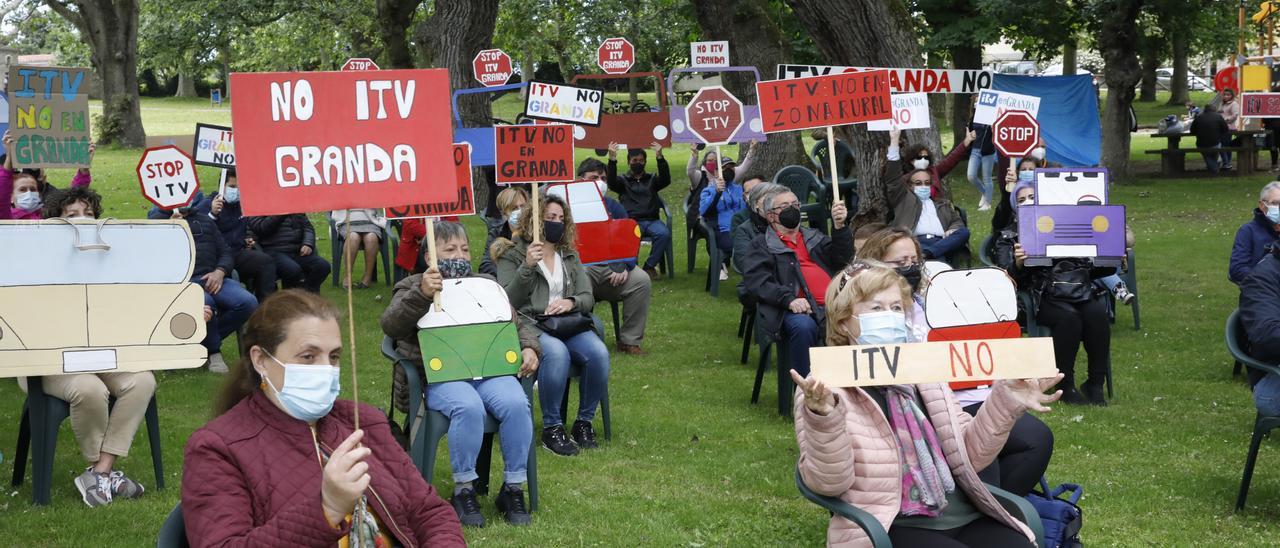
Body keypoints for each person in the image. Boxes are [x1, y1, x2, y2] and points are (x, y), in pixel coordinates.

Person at [791, 261, 1060, 547]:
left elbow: (971, 456)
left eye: (896, 308)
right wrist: (824, 418)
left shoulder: (924, 372)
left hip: (963, 515)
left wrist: (1006, 402)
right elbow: (829, 484)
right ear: (845, 322)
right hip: (890, 525)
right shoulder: (825, 388)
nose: (890, 317)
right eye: (876, 308)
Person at [181, 290, 465, 546]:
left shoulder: (362, 421)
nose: (326, 369)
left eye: (334, 357)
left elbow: (429, 510)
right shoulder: (217, 448)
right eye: (308, 357)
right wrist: (327, 509)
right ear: (261, 360)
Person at [856, 230, 1055, 496]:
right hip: (932, 404)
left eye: (914, 260)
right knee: (986, 458)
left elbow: (982, 336)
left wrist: (997, 292)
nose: (910, 268)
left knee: (1038, 439)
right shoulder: (875, 317)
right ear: (876, 266)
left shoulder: (937, 301)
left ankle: (1000, 507)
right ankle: (984, 507)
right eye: (900, 263)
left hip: (978, 393)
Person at [380, 221, 538, 527]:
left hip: (490, 372)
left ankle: (512, 488)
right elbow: (391, 326)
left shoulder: (485, 284)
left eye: (464, 249)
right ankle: (464, 490)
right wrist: (422, 295)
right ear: (430, 258)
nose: (460, 255)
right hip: (443, 378)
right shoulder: (411, 286)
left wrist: (530, 347)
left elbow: (515, 324)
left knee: (518, 404)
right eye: (450, 249)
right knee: (468, 407)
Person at [492, 194, 611, 457]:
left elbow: (587, 296)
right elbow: (507, 300)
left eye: (560, 218)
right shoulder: (512, 254)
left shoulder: (567, 254)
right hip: (531, 323)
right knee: (556, 354)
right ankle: (552, 428)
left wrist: (570, 302)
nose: (556, 223)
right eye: (549, 218)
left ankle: (583, 422)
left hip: (566, 323)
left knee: (599, 354)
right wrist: (527, 267)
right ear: (534, 219)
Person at [994, 179, 1114, 405]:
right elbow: (1005, 278)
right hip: (1041, 295)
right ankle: (1065, 384)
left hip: (1077, 290)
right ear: (1014, 206)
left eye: (1032, 198)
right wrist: (1019, 264)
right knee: (1069, 319)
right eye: (1021, 200)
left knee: (1097, 315)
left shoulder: (1062, 227)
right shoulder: (1008, 235)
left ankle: (1095, 384)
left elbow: (1092, 269)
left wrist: (1113, 256)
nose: (1028, 203)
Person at [739, 191, 851, 378]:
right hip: (789, 310)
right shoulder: (761, 246)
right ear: (770, 216)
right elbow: (757, 282)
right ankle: (806, 390)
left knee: (862, 319)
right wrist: (789, 300)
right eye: (783, 206)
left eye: (795, 204)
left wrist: (840, 228)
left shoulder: (814, 237)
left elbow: (842, 260)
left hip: (834, 304)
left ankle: (857, 391)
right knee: (803, 326)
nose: (791, 209)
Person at [153, 199, 259, 374]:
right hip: (182, 283)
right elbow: (154, 259)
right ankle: (214, 352)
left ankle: (198, 342)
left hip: (213, 278)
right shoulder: (158, 222)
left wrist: (220, 271)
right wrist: (170, 230)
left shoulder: (205, 220)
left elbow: (225, 252)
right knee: (206, 304)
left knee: (248, 302)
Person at [581, 158, 653, 355]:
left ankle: (629, 340)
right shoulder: (567, 208)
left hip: (612, 267)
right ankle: (581, 337)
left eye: (603, 178)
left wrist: (623, 265)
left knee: (641, 280)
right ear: (581, 180)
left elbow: (629, 241)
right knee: (579, 280)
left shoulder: (614, 206)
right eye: (593, 178)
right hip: (581, 268)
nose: (600, 182)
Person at [883, 129, 970, 262]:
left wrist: (953, 228)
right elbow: (893, 179)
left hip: (939, 243)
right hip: (915, 241)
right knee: (937, 261)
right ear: (910, 186)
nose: (923, 186)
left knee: (963, 232)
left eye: (927, 183)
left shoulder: (941, 204)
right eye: (918, 183)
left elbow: (957, 221)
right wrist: (894, 142)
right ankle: (926, 255)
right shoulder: (904, 199)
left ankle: (927, 254)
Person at [208, 169, 279, 298]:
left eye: (239, 187)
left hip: (237, 253)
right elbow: (203, 230)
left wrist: (247, 238)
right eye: (232, 187)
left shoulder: (241, 205)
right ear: (221, 186)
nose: (235, 191)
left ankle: (266, 305)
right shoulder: (209, 204)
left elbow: (247, 226)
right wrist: (213, 214)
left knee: (265, 262)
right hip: (218, 257)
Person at [606, 142, 671, 279]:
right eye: (635, 160)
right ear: (629, 162)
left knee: (664, 233)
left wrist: (660, 156)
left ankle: (649, 266)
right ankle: (632, 268)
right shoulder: (623, 182)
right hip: (632, 222)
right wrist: (612, 159)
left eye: (641, 161)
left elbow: (666, 179)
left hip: (652, 221)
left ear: (645, 162)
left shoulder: (652, 180)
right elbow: (611, 182)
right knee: (630, 237)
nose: (638, 163)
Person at [1, 130, 94, 220]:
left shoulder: (49, 216)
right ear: (11, 197)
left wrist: (83, 170)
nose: (29, 193)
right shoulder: (7, 218)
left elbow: (73, 197)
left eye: (33, 189)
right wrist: (10, 157)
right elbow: (3, 190)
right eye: (22, 189)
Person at [247, 213, 331, 293]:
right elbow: (261, 228)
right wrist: (281, 213)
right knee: (292, 270)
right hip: (273, 250)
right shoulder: (260, 205)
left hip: (297, 250)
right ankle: (290, 300)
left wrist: (307, 243)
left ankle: (309, 295)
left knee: (322, 266)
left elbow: (307, 227)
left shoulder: (292, 204)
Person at [700, 153, 749, 281]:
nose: (729, 170)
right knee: (743, 245)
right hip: (723, 229)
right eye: (725, 168)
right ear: (717, 172)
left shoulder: (739, 189)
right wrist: (716, 193)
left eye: (732, 167)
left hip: (742, 226)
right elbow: (704, 211)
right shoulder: (709, 190)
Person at [894, 127, 975, 200]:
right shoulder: (905, 179)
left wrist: (966, 141)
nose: (923, 160)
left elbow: (951, 160)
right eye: (919, 157)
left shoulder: (934, 172)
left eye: (926, 157)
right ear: (911, 160)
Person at [1231, 181, 1280, 285]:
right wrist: (1266, 280)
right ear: (1262, 205)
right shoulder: (1248, 231)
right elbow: (1237, 269)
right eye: (1276, 203)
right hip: (1262, 290)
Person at [731, 182, 787, 273]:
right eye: (767, 199)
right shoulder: (745, 230)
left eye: (775, 199)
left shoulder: (788, 224)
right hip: (763, 280)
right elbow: (746, 264)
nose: (771, 203)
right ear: (756, 204)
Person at [331, 208, 387, 289]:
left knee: (371, 238)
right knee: (353, 237)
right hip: (346, 220)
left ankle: (368, 276)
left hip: (369, 220)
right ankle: (347, 275)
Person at [479, 187, 529, 277]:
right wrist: (506, 272)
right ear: (504, 214)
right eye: (514, 208)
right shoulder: (496, 233)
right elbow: (486, 265)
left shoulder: (536, 232)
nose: (520, 211)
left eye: (522, 206)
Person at [966, 99, 998, 211]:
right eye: (975, 101)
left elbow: (997, 133)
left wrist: (992, 126)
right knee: (971, 176)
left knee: (987, 178)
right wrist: (970, 135)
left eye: (979, 101)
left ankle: (987, 204)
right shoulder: (973, 117)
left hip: (988, 151)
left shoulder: (991, 116)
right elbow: (968, 135)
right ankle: (985, 192)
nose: (977, 103)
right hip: (975, 150)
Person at [1190, 102, 1230, 175]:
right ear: (1214, 110)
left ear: (1205, 110)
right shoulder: (1218, 117)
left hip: (1201, 144)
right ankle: (1216, 168)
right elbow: (1225, 129)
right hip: (1215, 143)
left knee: (1207, 155)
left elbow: (1192, 131)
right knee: (1216, 149)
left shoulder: (1198, 117)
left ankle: (1213, 168)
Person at [1220, 88, 1241, 170]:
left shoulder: (1234, 104)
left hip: (1229, 128)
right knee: (1224, 146)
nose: (1226, 96)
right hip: (1221, 128)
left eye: (1228, 95)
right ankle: (1227, 163)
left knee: (1224, 146)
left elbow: (1235, 115)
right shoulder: (1223, 104)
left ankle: (1227, 163)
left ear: (1232, 96)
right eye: (1224, 95)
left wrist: (1225, 120)